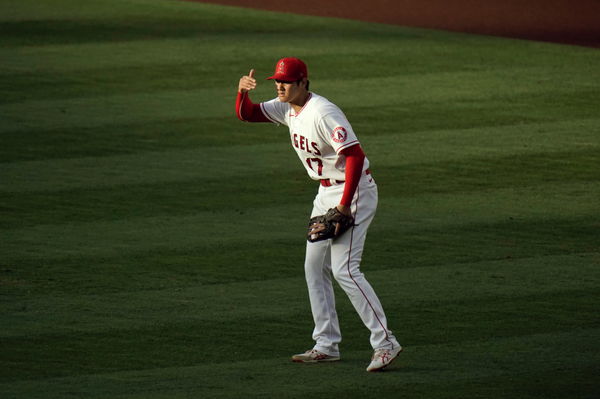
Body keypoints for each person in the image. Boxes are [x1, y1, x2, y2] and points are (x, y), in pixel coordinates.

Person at [236, 57, 402, 372]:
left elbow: (354, 155)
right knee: (314, 267)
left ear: (302, 83)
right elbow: (247, 114)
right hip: (325, 193)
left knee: (345, 270)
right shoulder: (286, 107)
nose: (279, 87)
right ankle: (326, 344)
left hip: (352, 192)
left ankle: (386, 343)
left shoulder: (323, 113)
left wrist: (344, 204)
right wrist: (242, 92)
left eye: (285, 82)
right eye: (276, 81)